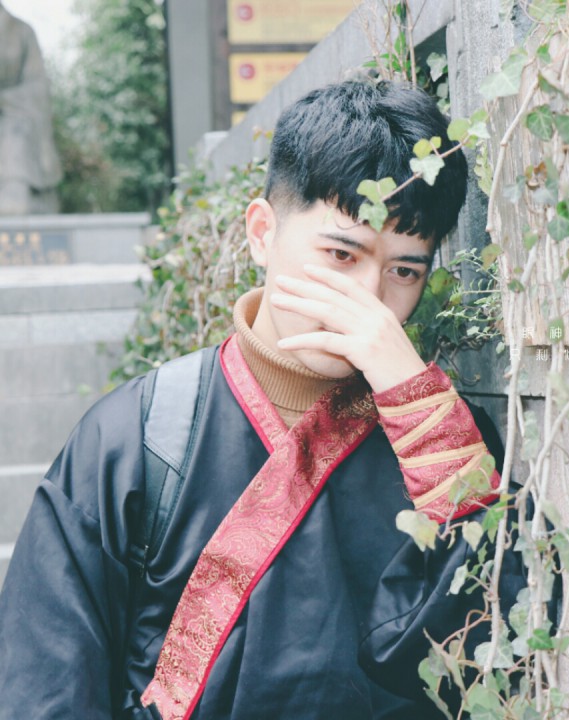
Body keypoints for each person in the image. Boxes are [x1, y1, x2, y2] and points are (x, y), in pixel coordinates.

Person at [0, 80, 528, 719]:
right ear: (261, 233)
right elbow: (45, 687)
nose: (368, 299)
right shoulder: (134, 438)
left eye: (404, 270)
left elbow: (493, 653)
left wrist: (413, 398)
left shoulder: (444, 440)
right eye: (341, 253)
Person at [0, 1, 62, 215]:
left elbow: (37, 85)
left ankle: (14, 187)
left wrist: (5, 99)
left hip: (14, 112)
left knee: (15, 129)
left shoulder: (21, 31)